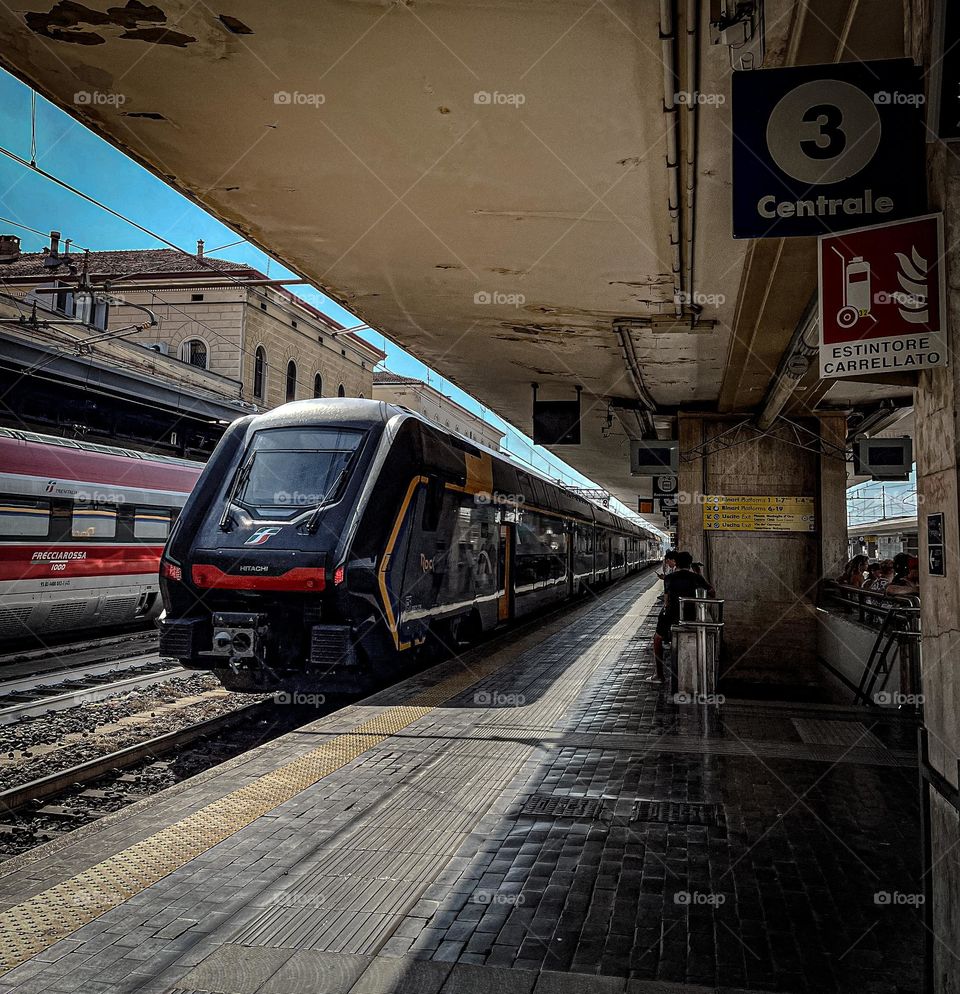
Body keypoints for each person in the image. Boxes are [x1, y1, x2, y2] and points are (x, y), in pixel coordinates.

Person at [650, 551, 715, 683]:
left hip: (672, 615)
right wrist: (698, 574)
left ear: (676, 563)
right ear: (690, 563)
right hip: (691, 614)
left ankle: (659, 675)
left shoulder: (669, 578)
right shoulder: (696, 577)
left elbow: (666, 601)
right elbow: (712, 592)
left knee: (657, 639)